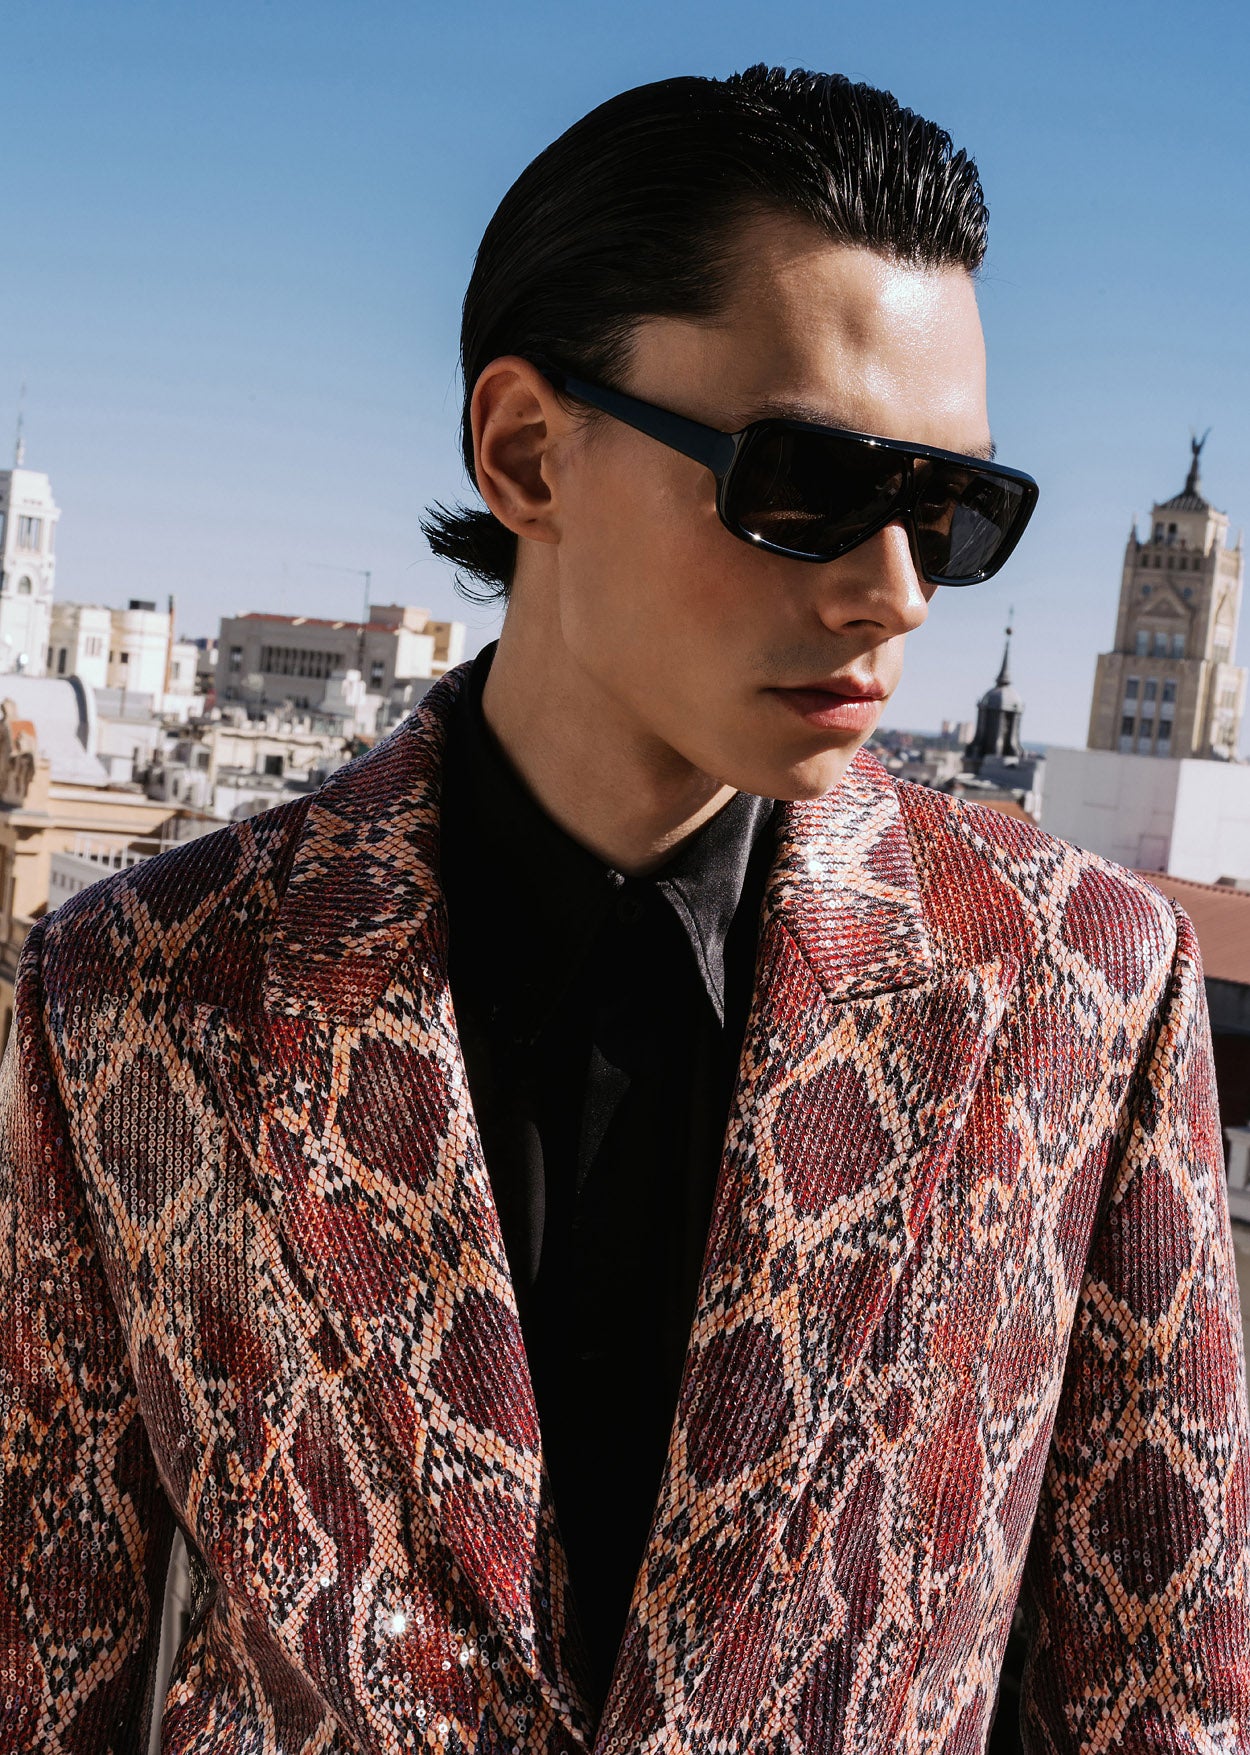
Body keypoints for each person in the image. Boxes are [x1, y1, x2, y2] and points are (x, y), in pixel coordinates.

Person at [1, 65, 1246, 1755]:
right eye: (805, 483)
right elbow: (40, 1659)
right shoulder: (143, 987)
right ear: (527, 451)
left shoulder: (1078, 986)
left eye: (947, 511)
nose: (893, 590)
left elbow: (1158, 1696)